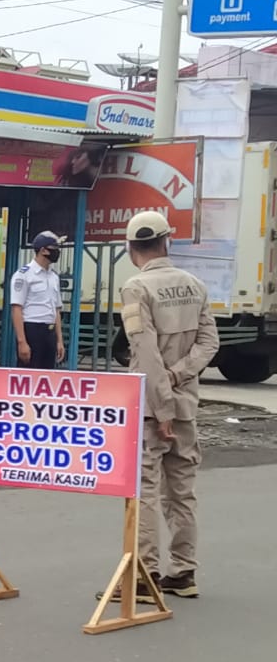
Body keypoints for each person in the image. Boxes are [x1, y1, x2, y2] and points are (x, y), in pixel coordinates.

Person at [117, 210, 219, 603]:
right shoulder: (195, 286)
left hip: (150, 411)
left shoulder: (135, 289)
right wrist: (180, 377)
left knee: (144, 489)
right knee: (181, 491)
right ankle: (184, 572)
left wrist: (161, 410)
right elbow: (209, 345)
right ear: (167, 241)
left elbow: (144, 355)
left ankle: (144, 577)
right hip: (187, 406)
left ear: (131, 249)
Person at [9, 232, 65, 369]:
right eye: (54, 248)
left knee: (46, 378)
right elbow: (17, 308)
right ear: (43, 250)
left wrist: (59, 341)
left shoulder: (54, 277)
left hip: (49, 332)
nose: (57, 252)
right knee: (28, 378)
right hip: (32, 330)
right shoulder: (24, 275)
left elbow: (56, 310)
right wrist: (22, 341)